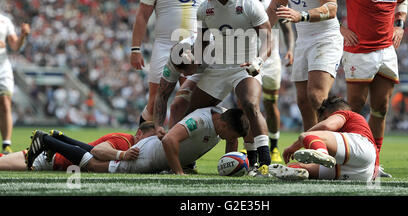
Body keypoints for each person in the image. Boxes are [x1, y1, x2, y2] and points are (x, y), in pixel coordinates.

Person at [183, 0, 273, 176]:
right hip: (218, 68)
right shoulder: (205, 8)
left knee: (250, 104)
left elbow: (269, 38)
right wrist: (189, 60)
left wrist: (258, 61)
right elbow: (201, 45)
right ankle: (186, 159)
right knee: (190, 113)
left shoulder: (248, 1)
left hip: (246, 65)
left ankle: (263, 163)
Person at [336, 0, 408, 177]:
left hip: (387, 50)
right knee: (355, 108)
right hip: (360, 51)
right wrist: (340, 28)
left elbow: (403, 0)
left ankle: (375, 163)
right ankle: (348, 160)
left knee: (381, 108)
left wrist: (399, 26)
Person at [265, 0, 343, 131]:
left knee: (316, 96)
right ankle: (313, 147)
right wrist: (256, 31)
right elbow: (275, 8)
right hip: (304, 40)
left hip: (326, 37)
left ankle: (340, 141)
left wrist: (303, 15)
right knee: (303, 101)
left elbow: (332, 8)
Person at [26, 107, 250, 175]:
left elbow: (231, 143)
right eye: (232, 135)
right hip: (148, 156)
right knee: (93, 166)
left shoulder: (223, 120)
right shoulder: (201, 121)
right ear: (222, 124)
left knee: (94, 155)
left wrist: (230, 164)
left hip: (154, 158)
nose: (232, 141)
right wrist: (179, 172)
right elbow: (170, 140)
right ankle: (47, 140)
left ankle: (59, 138)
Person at [130, 0, 202, 125]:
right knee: (154, 103)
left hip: (193, 48)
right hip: (164, 45)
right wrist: (135, 49)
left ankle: (179, 149)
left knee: (188, 101)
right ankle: (141, 144)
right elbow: (142, 15)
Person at [269, 95, 379, 181]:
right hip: (365, 173)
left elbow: (327, 126)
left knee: (307, 135)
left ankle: (322, 153)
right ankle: (296, 169)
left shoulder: (345, 114)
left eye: (323, 119)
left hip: (358, 148)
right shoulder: (358, 123)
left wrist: (294, 146)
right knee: (302, 167)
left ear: (327, 115)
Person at [248, 0, 295, 163]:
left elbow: (286, 29)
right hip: (250, 58)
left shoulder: (274, 2)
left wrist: (290, 49)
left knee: (270, 103)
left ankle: (274, 147)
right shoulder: (245, 2)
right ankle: (249, 146)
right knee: (249, 104)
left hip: (272, 60)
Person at [0, 123, 154, 171]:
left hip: (59, 159)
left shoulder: (130, 144)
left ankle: (55, 139)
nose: (150, 142)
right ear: (139, 133)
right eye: (149, 137)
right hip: (51, 159)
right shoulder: (125, 142)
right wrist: (122, 155)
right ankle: (49, 140)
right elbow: (98, 150)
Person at [0, 13, 30, 154]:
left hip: (2, 68)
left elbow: (15, 45)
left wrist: (23, 35)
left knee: (5, 102)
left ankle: (6, 144)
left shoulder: (5, 20)